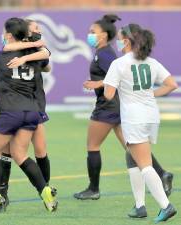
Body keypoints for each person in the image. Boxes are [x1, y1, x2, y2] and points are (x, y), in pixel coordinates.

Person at [73, 15, 173, 204]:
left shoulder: (106, 54)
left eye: (93, 32)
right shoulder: (104, 53)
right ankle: (161, 175)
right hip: (121, 108)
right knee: (132, 148)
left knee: (93, 145)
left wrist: (97, 84)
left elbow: (115, 78)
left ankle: (93, 189)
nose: (89, 35)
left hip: (108, 106)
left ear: (104, 35)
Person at [103, 23, 177, 222]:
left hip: (134, 118)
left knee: (145, 165)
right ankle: (139, 206)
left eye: (119, 38)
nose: (117, 42)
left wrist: (107, 84)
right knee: (132, 156)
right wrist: (151, 93)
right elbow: (172, 84)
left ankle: (165, 206)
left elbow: (108, 95)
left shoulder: (118, 64)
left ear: (126, 41)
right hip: (151, 115)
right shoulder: (151, 62)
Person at [0, 17, 57, 213]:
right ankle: (44, 190)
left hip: (9, 110)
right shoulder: (37, 55)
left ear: (9, 35)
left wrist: (24, 53)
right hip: (31, 111)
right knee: (19, 154)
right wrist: (31, 48)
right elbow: (46, 58)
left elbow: (0, 56)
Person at [0, 19, 51, 208]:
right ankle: (4, 195)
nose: (39, 31)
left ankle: (45, 190)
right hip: (22, 106)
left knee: (38, 150)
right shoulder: (13, 51)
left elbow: (47, 61)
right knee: (7, 150)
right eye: (36, 28)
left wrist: (28, 57)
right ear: (26, 33)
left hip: (30, 106)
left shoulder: (33, 53)